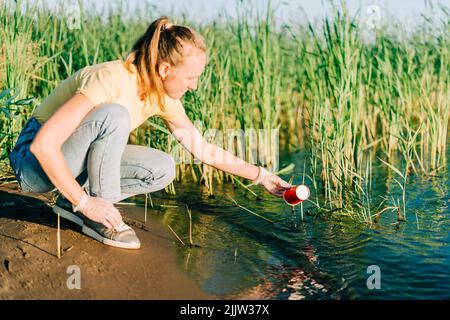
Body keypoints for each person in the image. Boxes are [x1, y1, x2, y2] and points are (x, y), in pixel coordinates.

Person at [8, 17, 292, 250]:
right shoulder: (111, 78)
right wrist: (88, 204)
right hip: (32, 164)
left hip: (68, 159)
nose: (194, 86)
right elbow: (43, 146)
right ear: (165, 69)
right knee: (115, 114)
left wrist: (262, 176)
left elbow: (202, 149)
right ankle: (97, 217)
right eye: (191, 77)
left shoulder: (163, 96)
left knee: (162, 168)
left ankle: (70, 201)